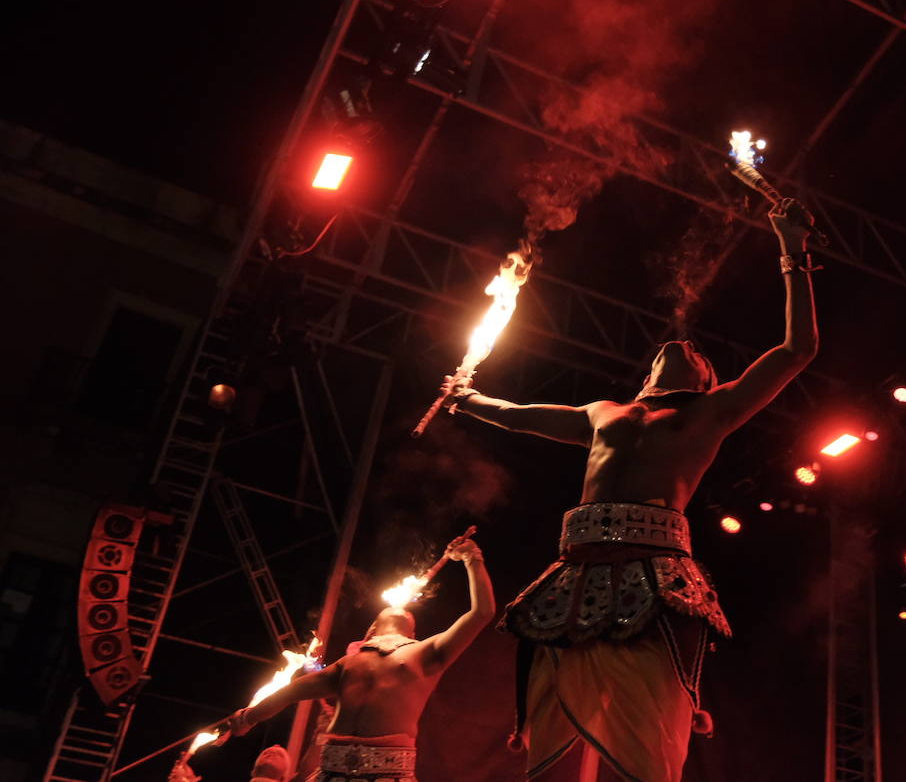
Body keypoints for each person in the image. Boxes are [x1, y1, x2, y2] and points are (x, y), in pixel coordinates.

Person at [446, 198, 818, 781]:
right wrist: (466, 399)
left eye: (702, 356)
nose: (688, 347)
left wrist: (792, 252)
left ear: (707, 384)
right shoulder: (601, 411)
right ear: (646, 377)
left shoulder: (713, 413)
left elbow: (798, 351)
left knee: (647, 733)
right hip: (575, 571)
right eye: (680, 349)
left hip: (655, 572)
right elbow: (518, 416)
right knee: (549, 731)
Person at [227, 532, 494, 782]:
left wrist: (472, 558)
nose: (400, 610)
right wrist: (249, 718)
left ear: (413, 633)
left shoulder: (424, 653)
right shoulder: (347, 664)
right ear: (370, 631)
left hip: (389, 775)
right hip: (331, 773)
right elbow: (288, 692)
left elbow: (482, 612)